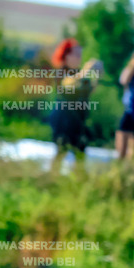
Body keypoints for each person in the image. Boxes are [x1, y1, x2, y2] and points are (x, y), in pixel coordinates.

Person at [48, 39, 101, 174]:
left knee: (80, 156)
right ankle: (51, 181)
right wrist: (86, 71)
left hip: (79, 121)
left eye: (80, 55)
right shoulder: (62, 72)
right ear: (66, 56)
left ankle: (77, 186)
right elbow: (69, 84)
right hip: (65, 122)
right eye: (76, 54)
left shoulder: (78, 73)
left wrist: (97, 76)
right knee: (61, 152)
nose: (79, 58)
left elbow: (89, 91)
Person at [116, 53, 134, 160]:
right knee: (121, 150)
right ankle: (119, 172)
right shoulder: (131, 69)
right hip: (129, 110)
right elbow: (123, 80)